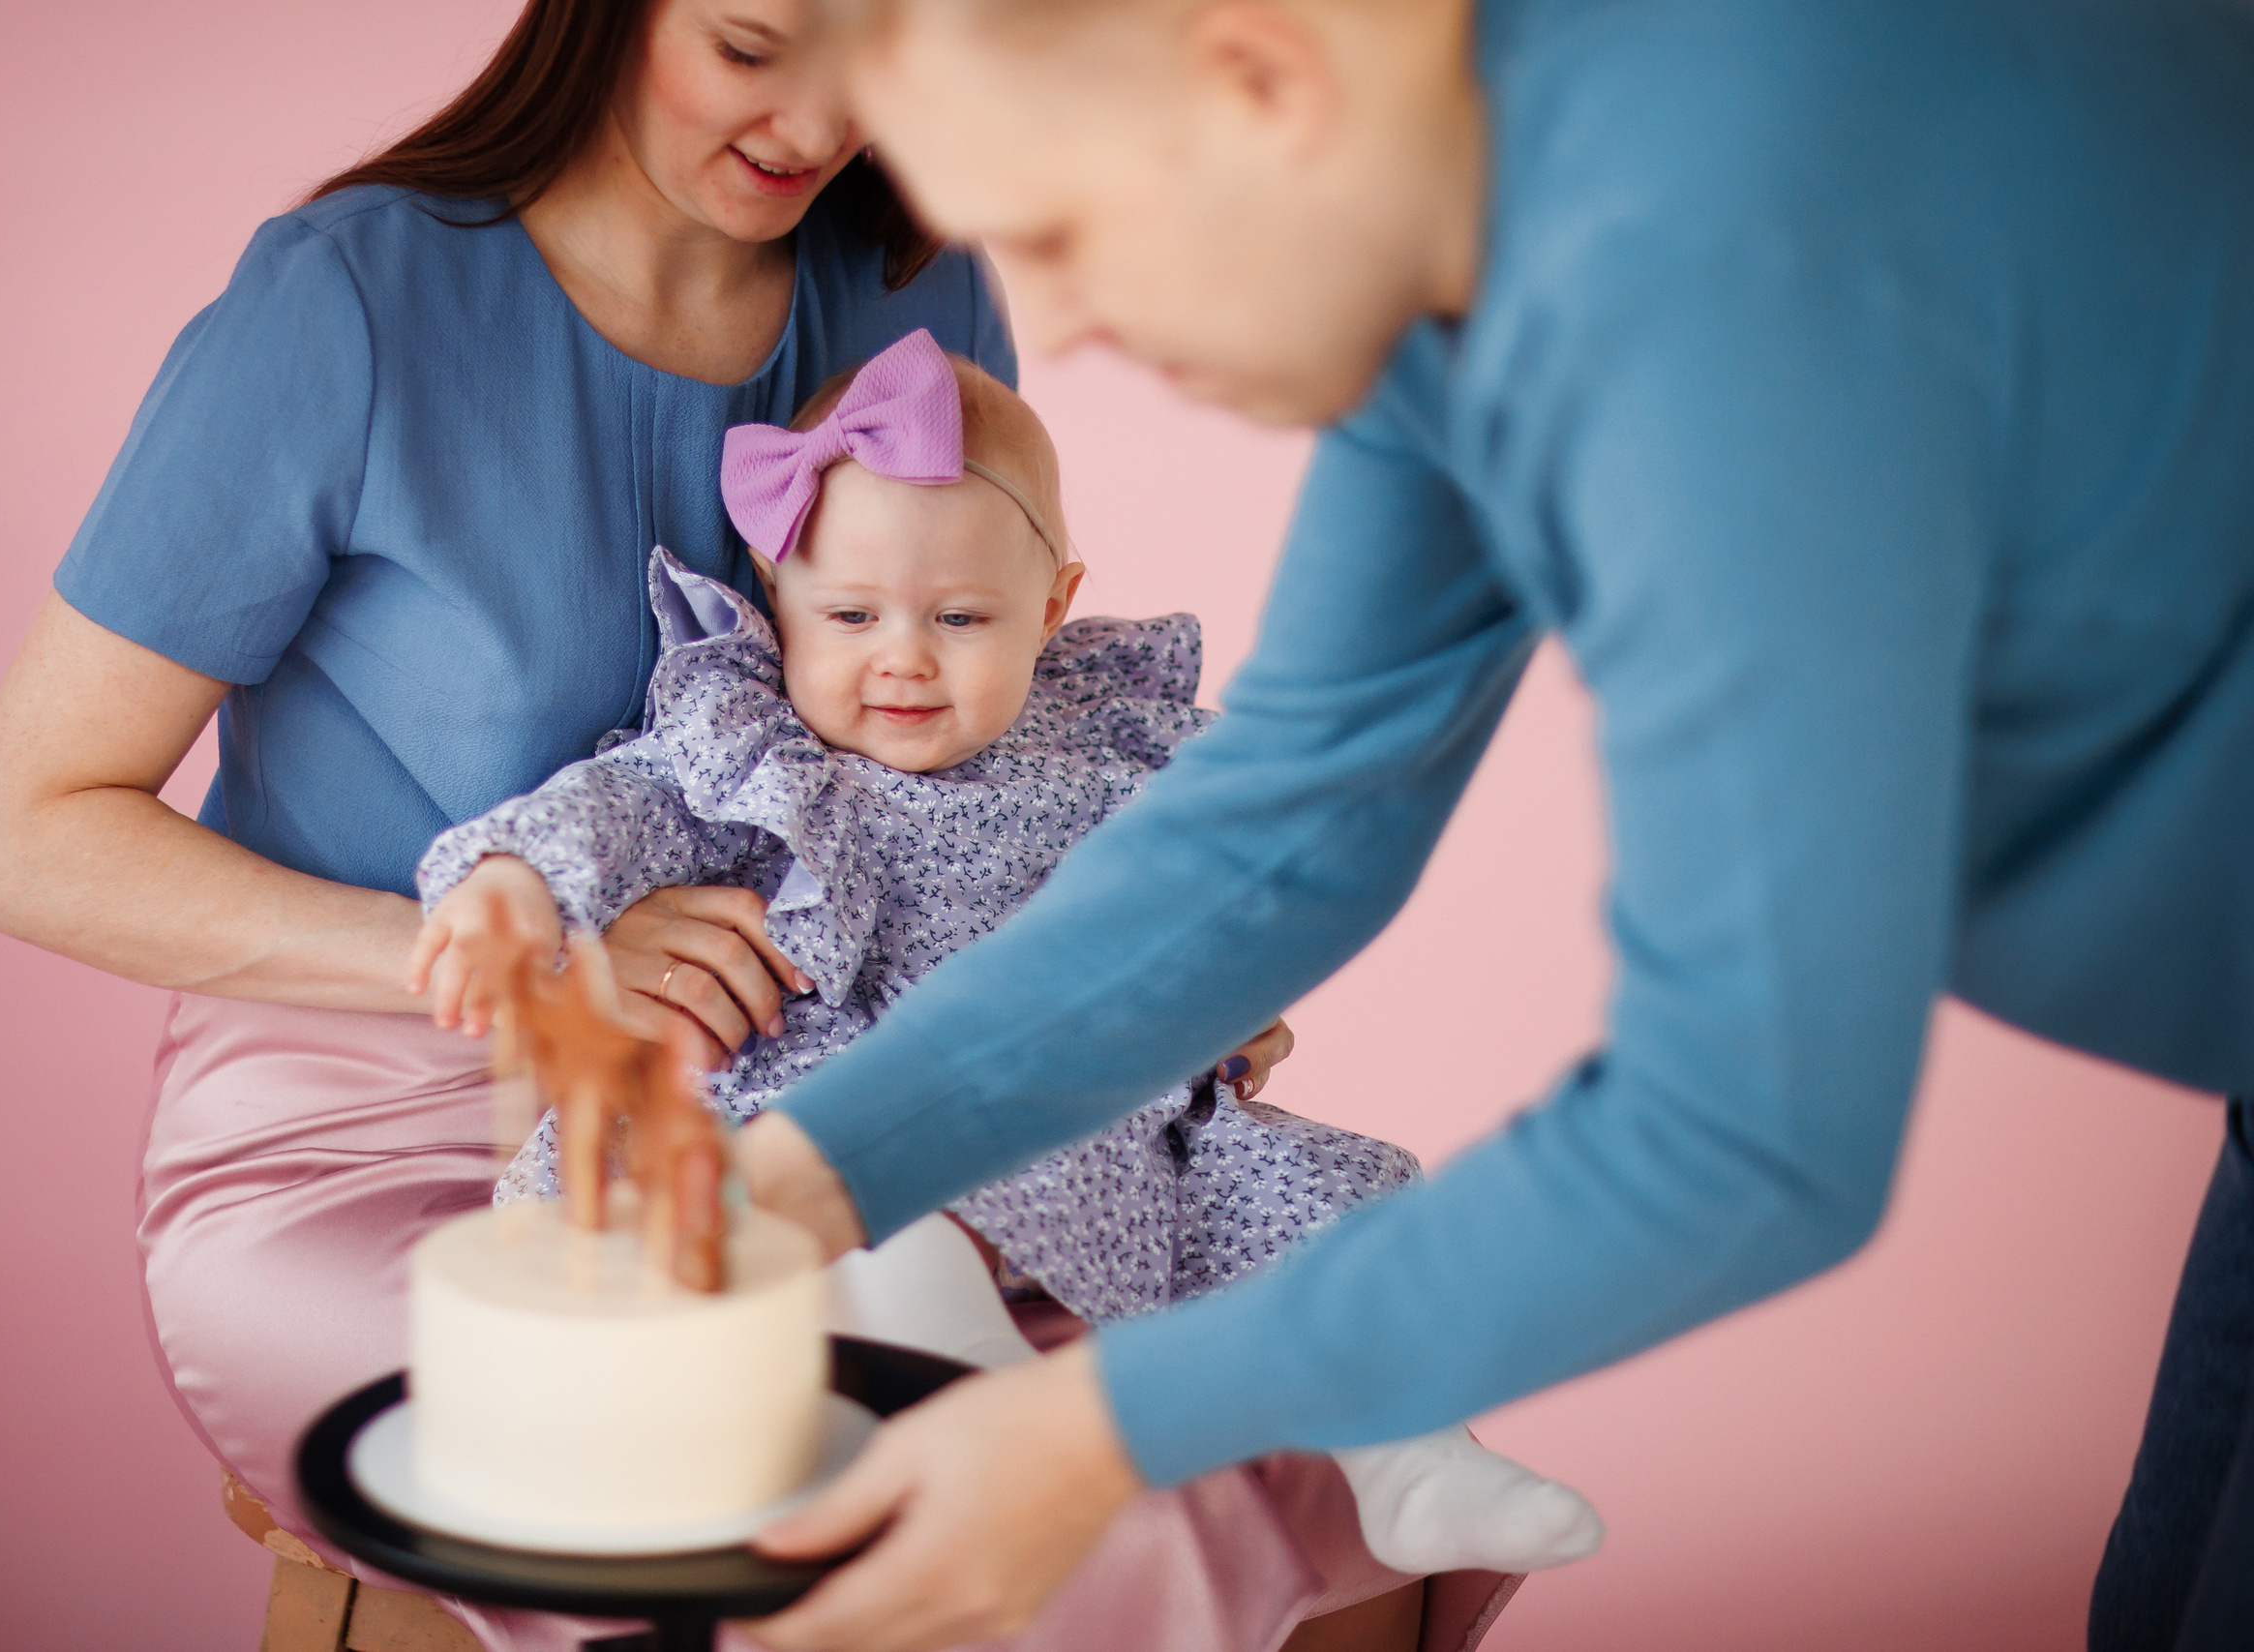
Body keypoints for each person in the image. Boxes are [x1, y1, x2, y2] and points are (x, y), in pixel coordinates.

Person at [707, 2, 2254, 1651]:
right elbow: (1300, 809)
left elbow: (1744, 1134)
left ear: (1260, 81)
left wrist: (1098, 1431)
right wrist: (806, 1170)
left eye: (1064, 235)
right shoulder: (1445, 199)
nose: (1064, 331)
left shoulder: (1696, 259)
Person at [0, 1, 1458, 1644]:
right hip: (381, 1119)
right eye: (752, 44)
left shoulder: (915, 296)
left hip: (845, 1099)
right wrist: (536, 968)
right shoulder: (346, 304)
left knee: (1296, 1422)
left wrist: (1128, 984)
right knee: (830, 1494)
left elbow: (961, 749)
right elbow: (16, 836)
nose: (816, 127)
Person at [408, 331, 1606, 1578]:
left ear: (1054, 606)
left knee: (1336, 1205)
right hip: (814, 1096)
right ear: (777, 602)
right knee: (879, 1215)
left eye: (962, 616)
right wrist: (511, 881)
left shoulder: (1108, 739)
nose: (904, 657)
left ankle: (1416, 1459)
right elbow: (617, 804)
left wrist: (1235, 983)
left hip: (1079, 1096)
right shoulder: (753, 737)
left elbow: (1241, 863)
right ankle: (964, 1405)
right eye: (851, 613)